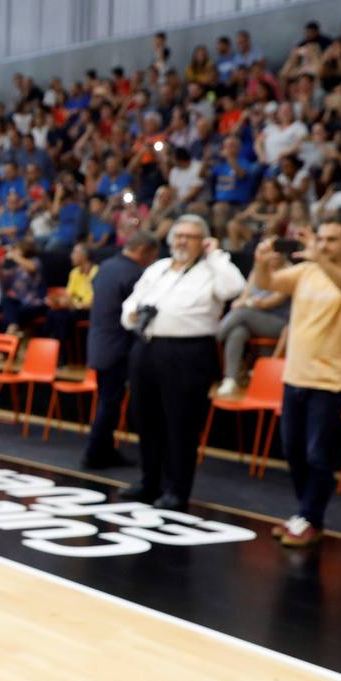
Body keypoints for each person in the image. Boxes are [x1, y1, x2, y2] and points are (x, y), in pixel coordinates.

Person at [251, 221, 341, 546]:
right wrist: (261, 261)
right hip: (294, 376)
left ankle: (309, 517)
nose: (324, 245)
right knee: (293, 451)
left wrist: (319, 258)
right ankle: (306, 514)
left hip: (330, 380)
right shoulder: (306, 272)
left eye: (332, 240)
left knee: (318, 454)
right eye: (320, 239)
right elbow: (266, 283)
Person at [121, 215, 245, 509]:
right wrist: (133, 315)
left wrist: (215, 254)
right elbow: (131, 301)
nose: (182, 241)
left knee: (181, 424)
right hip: (147, 347)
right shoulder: (158, 268)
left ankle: (177, 489)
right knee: (146, 419)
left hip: (188, 352)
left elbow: (234, 288)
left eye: (190, 237)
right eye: (179, 236)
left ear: (202, 241)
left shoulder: (212, 271)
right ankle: (150, 482)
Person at [81, 233, 157, 470]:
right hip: (117, 346)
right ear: (143, 250)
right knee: (109, 402)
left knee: (108, 400)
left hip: (98, 341)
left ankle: (103, 449)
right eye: (152, 256)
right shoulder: (134, 274)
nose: (152, 262)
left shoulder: (106, 266)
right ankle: (95, 452)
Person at [215, 269, 290, 397]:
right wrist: (247, 302)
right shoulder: (256, 272)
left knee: (241, 313)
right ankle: (230, 379)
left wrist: (248, 303)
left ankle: (212, 340)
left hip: (279, 323)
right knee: (237, 332)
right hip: (253, 319)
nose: (274, 254)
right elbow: (243, 297)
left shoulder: (289, 272)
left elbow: (269, 303)